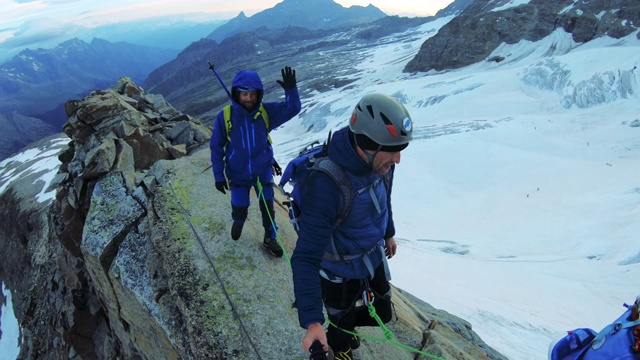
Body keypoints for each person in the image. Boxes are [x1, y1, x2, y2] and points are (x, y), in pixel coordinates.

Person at [291, 93, 413, 359]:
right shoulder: (326, 184)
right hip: (338, 271)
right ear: (368, 144)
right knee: (342, 332)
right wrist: (313, 322)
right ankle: (341, 339)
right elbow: (305, 257)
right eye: (393, 151)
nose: (398, 159)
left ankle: (344, 329)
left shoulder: (381, 163)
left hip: (372, 257)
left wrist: (388, 233)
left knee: (383, 312)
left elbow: (383, 200)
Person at [210, 67, 301, 257]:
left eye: (252, 94)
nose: (249, 99)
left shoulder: (265, 112)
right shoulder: (225, 117)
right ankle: (239, 220)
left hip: (262, 170)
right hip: (237, 174)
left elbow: (292, 109)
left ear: (258, 94)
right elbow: (216, 147)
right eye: (244, 94)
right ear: (236, 93)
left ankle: (270, 237)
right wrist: (218, 175)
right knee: (240, 206)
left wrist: (291, 91)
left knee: (268, 208)